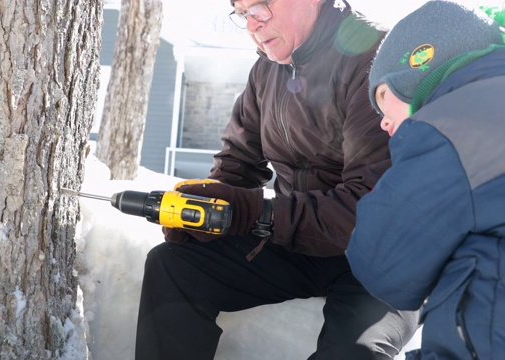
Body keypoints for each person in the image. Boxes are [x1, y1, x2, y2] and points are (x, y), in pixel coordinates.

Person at [135, 0, 420, 359]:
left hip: (384, 256)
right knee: (174, 265)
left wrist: (257, 213)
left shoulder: (375, 59)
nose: (252, 23)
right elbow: (238, 163)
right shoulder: (266, 71)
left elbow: (370, 207)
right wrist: (207, 214)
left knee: (351, 353)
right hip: (299, 242)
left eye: (261, 6)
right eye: (242, 11)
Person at [345, 1, 505, 359]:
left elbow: (383, 262)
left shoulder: (453, 127)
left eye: (385, 98)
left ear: (422, 69)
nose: (383, 121)